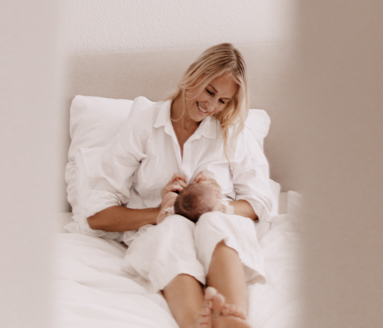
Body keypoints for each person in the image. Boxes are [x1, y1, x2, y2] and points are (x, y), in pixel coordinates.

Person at [86, 44, 274, 328]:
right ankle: (196, 323)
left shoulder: (231, 133)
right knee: (173, 230)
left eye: (223, 101)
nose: (211, 106)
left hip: (220, 226)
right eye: (210, 91)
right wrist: (160, 213)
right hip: (161, 231)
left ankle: (230, 319)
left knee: (216, 223)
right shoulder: (144, 125)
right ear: (193, 74)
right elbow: (96, 215)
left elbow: (261, 202)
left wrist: (220, 206)